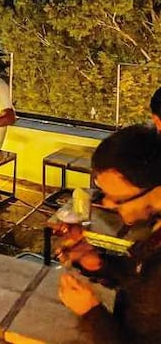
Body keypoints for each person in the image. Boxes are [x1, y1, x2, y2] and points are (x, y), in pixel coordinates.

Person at [57, 125, 161, 343]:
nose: (107, 204)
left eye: (117, 197)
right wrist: (99, 264)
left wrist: (90, 312)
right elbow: (141, 281)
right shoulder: (153, 229)